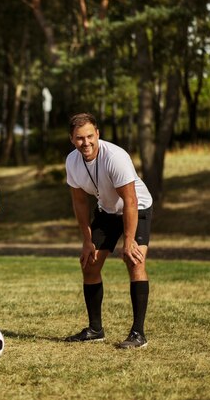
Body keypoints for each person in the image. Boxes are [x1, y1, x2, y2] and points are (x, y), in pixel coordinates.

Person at [64, 113, 153, 349]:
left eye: (90, 136)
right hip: (106, 211)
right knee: (89, 264)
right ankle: (95, 329)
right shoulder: (72, 161)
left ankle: (138, 334)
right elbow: (80, 202)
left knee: (135, 261)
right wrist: (87, 240)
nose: (86, 143)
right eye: (80, 138)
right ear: (72, 139)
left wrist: (130, 240)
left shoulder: (116, 157)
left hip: (137, 208)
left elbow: (131, 201)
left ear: (98, 134)